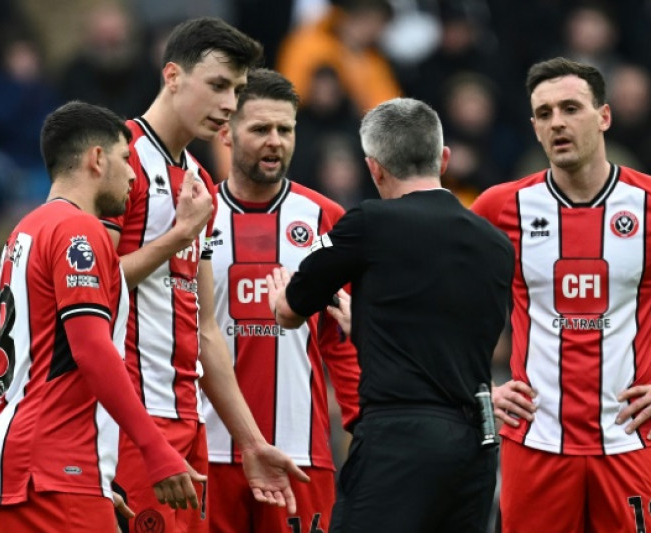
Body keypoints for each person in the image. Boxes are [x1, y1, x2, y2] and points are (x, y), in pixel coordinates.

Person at [471, 57, 651, 532]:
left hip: (630, 442)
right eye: (544, 114)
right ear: (533, 127)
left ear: (604, 116)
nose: (557, 123)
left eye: (570, 108)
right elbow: (440, 301)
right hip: (535, 444)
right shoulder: (500, 207)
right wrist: (481, 387)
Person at [268, 97, 515, 533]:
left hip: (398, 439)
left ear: (374, 168)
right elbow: (443, 335)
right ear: (444, 158)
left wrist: (279, 299)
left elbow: (293, 308)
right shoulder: (495, 244)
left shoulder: (369, 222)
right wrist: (366, 324)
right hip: (475, 443)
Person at [100, 17, 308, 533]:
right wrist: (177, 235)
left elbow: (206, 329)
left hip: (188, 423)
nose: (229, 104)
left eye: (237, 90)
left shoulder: (196, 181)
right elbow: (87, 289)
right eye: (218, 85)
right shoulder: (116, 157)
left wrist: (252, 441)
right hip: (130, 425)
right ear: (172, 76)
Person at [0, 101, 204, 533]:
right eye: (124, 160)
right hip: (55, 468)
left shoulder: (24, 231)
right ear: (97, 159)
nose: (133, 176)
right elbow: (91, 349)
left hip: (9, 468)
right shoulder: (81, 230)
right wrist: (154, 449)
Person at [204, 68, 361, 533]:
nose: (275, 141)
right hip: (207, 451)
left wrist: (362, 426)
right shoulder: (192, 216)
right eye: (260, 129)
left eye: (285, 129)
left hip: (300, 452)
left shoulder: (324, 218)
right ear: (227, 133)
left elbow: (342, 339)